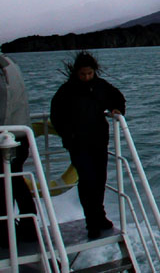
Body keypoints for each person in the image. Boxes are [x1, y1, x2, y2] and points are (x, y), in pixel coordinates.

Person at [50, 51, 125, 238]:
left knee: (100, 180)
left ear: (94, 71)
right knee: (86, 180)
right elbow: (56, 116)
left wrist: (117, 109)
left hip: (99, 140)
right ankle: (91, 221)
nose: (86, 77)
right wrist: (68, 136)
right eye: (83, 74)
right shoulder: (66, 91)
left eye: (89, 73)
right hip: (77, 143)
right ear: (76, 72)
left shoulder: (101, 86)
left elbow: (117, 98)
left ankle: (100, 215)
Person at [0, 54, 38, 245]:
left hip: (8, 138)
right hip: (19, 135)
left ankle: (6, 232)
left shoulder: (2, 69)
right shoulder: (10, 63)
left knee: (6, 185)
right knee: (15, 182)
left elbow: (4, 105)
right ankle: (27, 227)